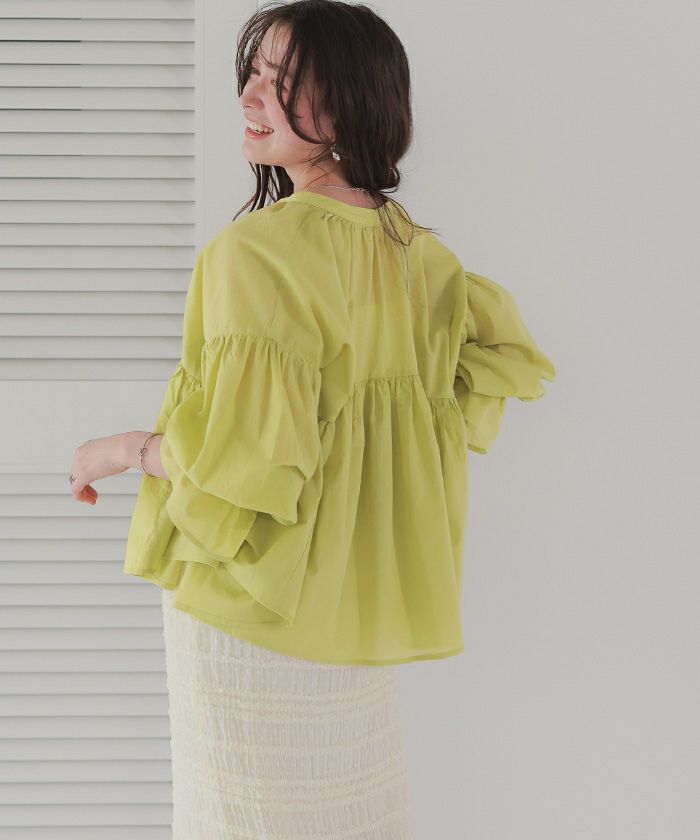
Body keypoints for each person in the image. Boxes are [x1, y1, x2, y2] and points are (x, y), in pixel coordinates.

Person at [68, 2, 556, 837]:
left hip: (248, 615)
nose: (251, 97)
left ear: (352, 102)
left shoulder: (254, 255)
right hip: (355, 619)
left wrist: (121, 449)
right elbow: (471, 393)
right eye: (254, 74)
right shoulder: (427, 260)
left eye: (285, 82)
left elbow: (239, 464)